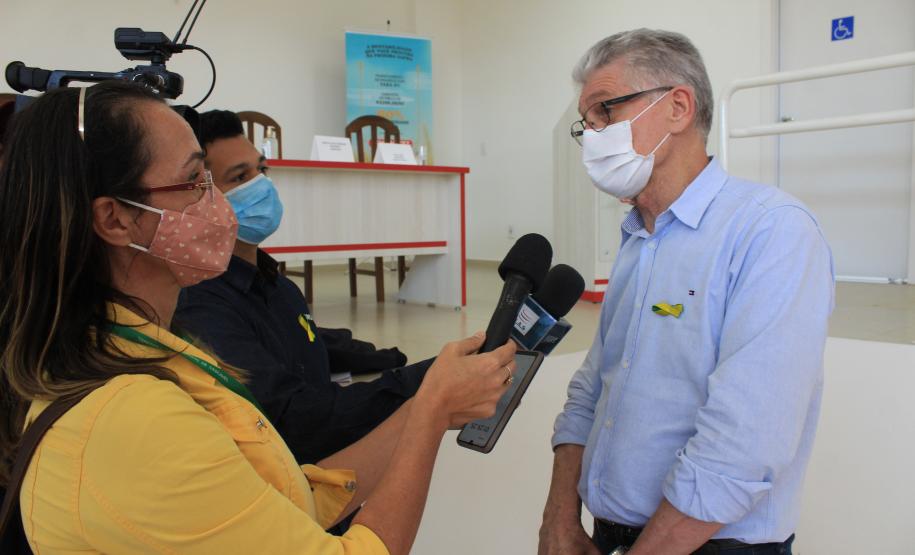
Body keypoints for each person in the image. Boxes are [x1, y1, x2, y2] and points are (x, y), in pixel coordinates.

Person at [0, 80, 517, 554]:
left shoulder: (148, 348)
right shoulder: (133, 420)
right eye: (194, 182)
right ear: (115, 218)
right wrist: (426, 417)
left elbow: (290, 496)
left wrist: (429, 404)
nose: (218, 202)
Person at [539, 29, 834, 555]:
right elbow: (592, 390)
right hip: (609, 535)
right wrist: (560, 518)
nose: (593, 135)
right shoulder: (638, 238)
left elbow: (743, 443)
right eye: (587, 123)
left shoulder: (772, 232)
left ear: (677, 107)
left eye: (605, 110)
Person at [174, 109, 431, 464]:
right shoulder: (200, 306)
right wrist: (427, 382)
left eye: (261, 169)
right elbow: (297, 418)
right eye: (239, 177)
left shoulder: (278, 285)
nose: (261, 185)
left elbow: (301, 343)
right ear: (199, 195)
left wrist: (387, 360)